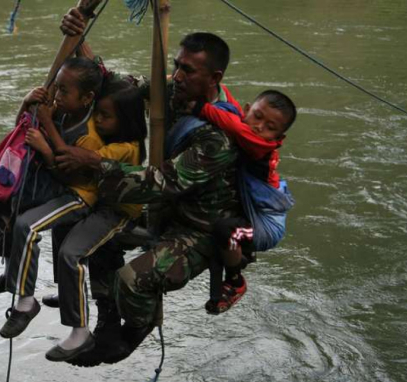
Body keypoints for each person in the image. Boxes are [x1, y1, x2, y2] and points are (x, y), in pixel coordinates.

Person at [60, 9, 246, 364]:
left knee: (133, 279)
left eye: (188, 71)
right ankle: (108, 319)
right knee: (95, 232)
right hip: (160, 208)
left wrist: (97, 163)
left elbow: (163, 183)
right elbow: (114, 85)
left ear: (215, 77)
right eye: (176, 65)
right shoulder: (172, 89)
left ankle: (134, 329)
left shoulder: (218, 136)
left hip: (199, 227)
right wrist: (78, 39)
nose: (177, 76)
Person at [0, 56, 105, 339]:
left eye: (64, 91)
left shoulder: (88, 134)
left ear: (87, 98)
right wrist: (27, 102)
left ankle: (25, 303)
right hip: (55, 185)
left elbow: (71, 177)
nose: (56, 96)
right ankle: (12, 270)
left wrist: (46, 147)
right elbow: (20, 128)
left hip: (77, 194)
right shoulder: (60, 111)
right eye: (55, 88)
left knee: (27, 225)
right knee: (4, 200)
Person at [44, 79, 148, 362]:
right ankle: (68, 293)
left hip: (116, 212)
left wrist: (47, 126)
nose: (97, 120)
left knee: (71, 252)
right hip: (99, 202)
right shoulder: (113, 138)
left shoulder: (124, 147)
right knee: (60, 227)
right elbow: (92, 75)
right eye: (97, 113)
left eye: (105, 116)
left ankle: (80, 332)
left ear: (124, 119)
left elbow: (78, 157)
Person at [191, 89, 297, 315]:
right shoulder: (244, 120)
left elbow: (237, 128)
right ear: (247, 109)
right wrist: (214, 85)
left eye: (271, 128)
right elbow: (229, 102)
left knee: (225, 231)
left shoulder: (261, 147)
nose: (260, 127)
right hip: (257, 211)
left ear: (279, 139)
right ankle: (239, 253)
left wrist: (201, 108)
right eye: (257, 117)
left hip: (267, 226)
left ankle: (235, 281)